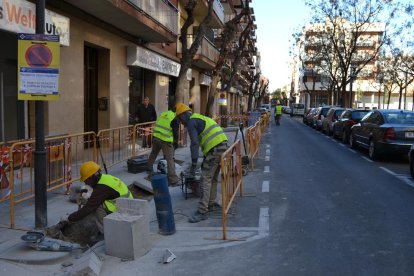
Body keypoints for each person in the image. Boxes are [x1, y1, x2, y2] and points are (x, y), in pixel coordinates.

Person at [175, 103, 228, 223]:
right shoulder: (199, 117)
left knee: (205, 179)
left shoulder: (191, 122)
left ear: (183, 116)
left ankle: (202, 211)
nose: (181, 123)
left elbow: (194, 144)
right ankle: (211, 203)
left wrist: (194, 164)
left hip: (216, 148)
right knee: (212, 177)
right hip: (222, 146)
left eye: (179, 119)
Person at [59, 161, 133, 240]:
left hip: (124, 211)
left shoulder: (102, 188)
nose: (85, 182)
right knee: (92, 202)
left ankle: (107, 234)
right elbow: (101, 191)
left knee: (94, 208)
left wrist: (69, 218)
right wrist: (90, 191)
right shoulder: (104, 178)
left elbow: (88, 209)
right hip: (127, 204)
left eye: (86, 180)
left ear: (92, 177)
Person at [147, 110, 180, 186]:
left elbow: (157, 124)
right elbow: (176, 134)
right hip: (165, 140)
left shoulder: (163, 113)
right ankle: (173, 179)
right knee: (170, 159)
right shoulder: (174, 118)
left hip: (156, 137)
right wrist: (176, 143)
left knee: (154, 153)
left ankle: (149, 168)